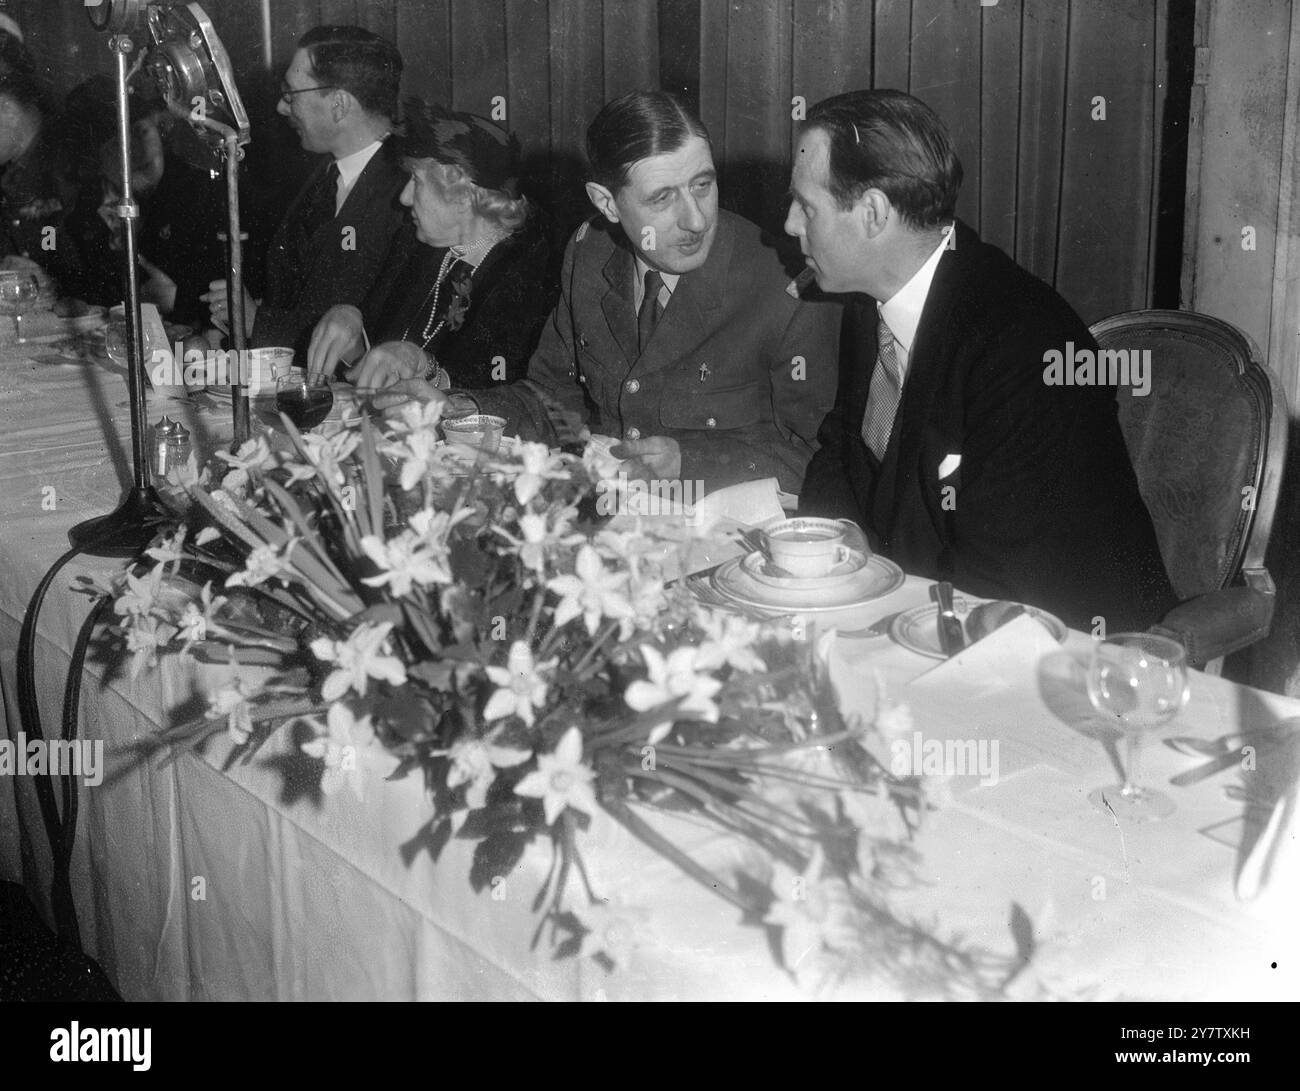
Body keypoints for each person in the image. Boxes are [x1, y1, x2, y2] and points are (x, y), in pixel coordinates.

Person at [790, 89, 1175, 632]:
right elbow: (844, 450)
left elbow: (1009, 581)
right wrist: (823, 550)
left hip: (1064, 653)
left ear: (873, 214)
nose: (789, 224)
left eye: (806, 207)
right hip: (933, 611)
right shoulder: (871, 300)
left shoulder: (1023, 345)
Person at [353, 89, 840, 495]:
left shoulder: (787, 284)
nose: (694, 220)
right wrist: (459, 408)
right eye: (662, 197)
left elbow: (818, 458)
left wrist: (688, 460)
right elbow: (551, 401)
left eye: (703, 185)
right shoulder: (589, 254)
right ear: (606, 203)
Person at [306, 100, 553, 389]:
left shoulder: (529, 276)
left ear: (463, 195)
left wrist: (428, 369)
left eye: (416, 180)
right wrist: (352, 331)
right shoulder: (414, 247)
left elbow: (506, 395)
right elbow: (378, 372)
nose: (404, 197)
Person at [204, 25, 406, 358]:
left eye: (291, 94)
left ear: (339, 104)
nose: (282, 108)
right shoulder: (322, 175)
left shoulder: (406, 196)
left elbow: (380, 337)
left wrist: (260, 322)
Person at [0, 69, 86, 293]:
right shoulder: (13, 170)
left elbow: (88, 262)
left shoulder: (69, 160)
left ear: (7, 109)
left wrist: (48, 279)